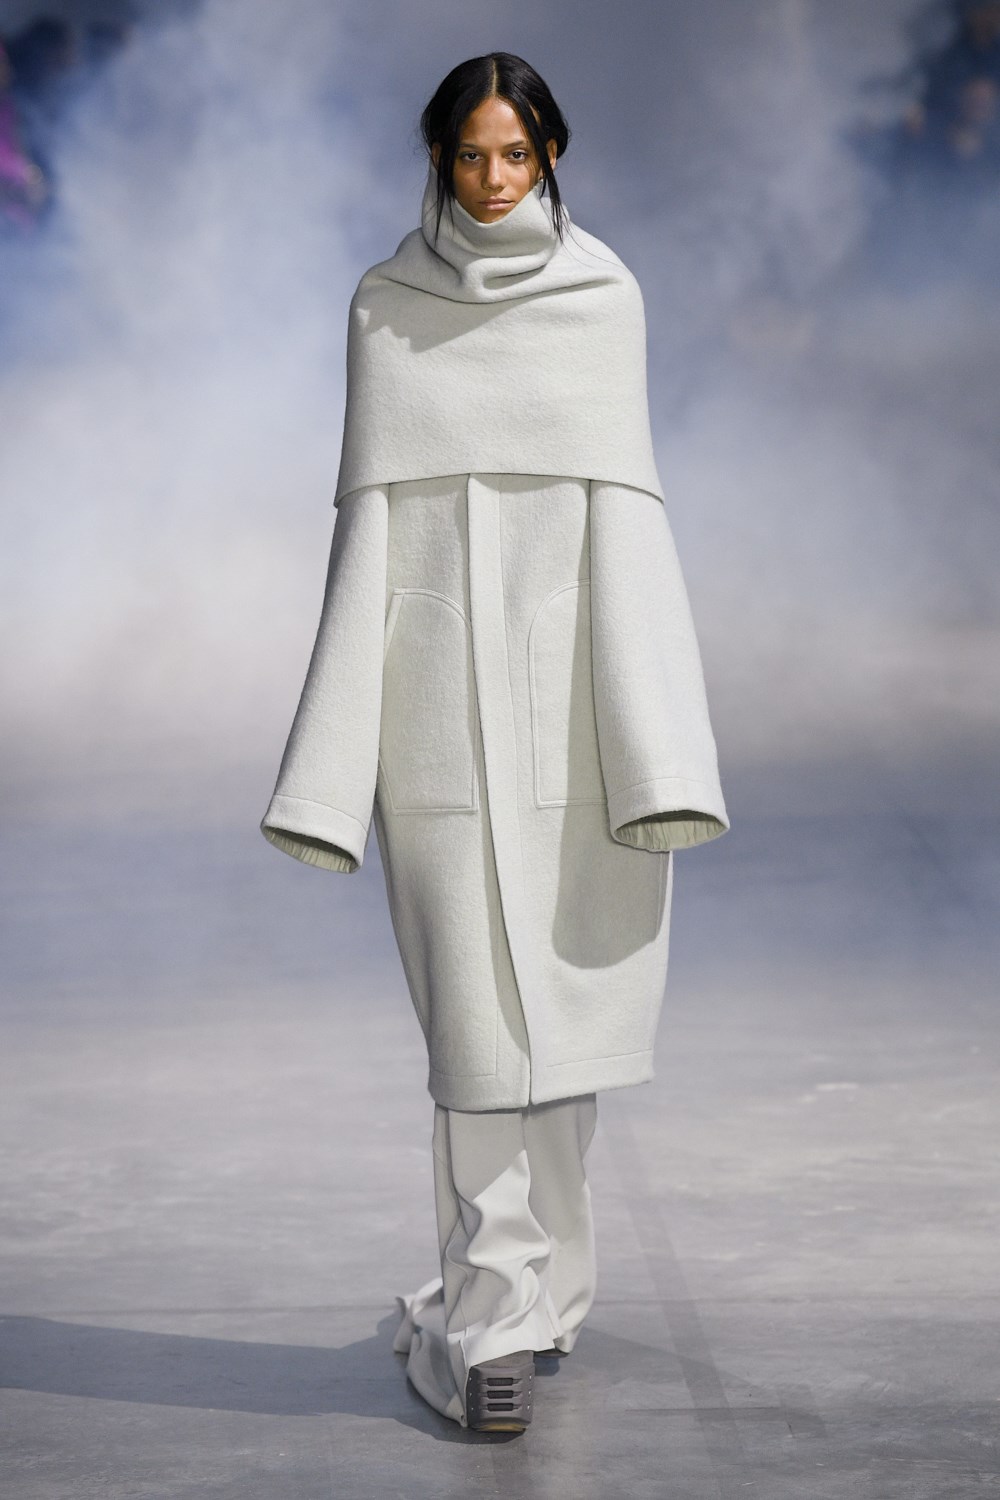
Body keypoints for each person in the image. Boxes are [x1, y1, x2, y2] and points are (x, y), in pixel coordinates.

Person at [260, 52, 729, 1435]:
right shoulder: (386, 308)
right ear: (439, 160)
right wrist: (329, 770)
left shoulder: (603, 300)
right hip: (433, 721)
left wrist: (660, 747)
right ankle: (491, 1320)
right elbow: (366, 544)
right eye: (470, 156)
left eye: (515, 154)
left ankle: (547, 1288)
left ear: (553, 155)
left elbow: (631, 531)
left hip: (580, 713)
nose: (492, 180)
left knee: (563, 1027)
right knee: (477, 1032)